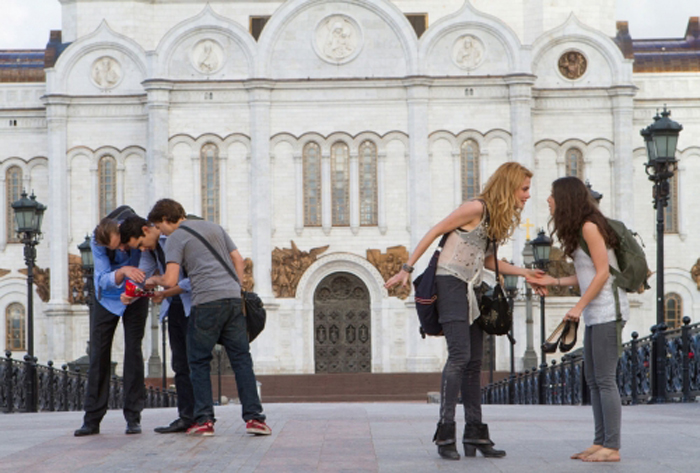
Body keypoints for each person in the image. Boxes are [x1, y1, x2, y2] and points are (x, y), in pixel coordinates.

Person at [385, 162, 544, 460]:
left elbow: (487, 261)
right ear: (509, 186)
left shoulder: (493, 216)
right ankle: (445, 433)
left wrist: (525, 273)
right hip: (449, 283)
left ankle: (475, 434)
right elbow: (436, 231)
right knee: (459, 356)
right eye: (524, 189)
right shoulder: (475, 208)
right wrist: (407, 268)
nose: (527, 196)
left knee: (474, 362)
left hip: (470, 286)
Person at [144, 199, 271, 437]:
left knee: (198, 361)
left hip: (206, 303)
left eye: (159, 228)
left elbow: (170, 280)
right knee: (242, 360)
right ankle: (255, 419)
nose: (161, 233)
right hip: (233, 301)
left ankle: (204, 420)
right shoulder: (214, 227)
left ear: (164, 220)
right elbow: (239, 260)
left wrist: (154, 281)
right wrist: (235, 285)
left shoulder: (175, 238)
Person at [528, 177, 628, 463]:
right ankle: (600, 442)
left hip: (608, 310)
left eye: (552, 195)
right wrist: (555, 280)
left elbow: (603, 273)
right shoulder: (580, 230)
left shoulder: (590, 227)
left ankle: (612, 446)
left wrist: (578, 307)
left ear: (566, 198)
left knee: (605, 380)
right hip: (597, 312)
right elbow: (585, 274)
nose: (548, 200)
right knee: (593, 379)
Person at [74, 206, 149, 436]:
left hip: (135, 295)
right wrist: (123, 270)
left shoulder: (135, 232)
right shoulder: (99, 243)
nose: (122, 250)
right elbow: (102, 279)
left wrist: (132, 288)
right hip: (106, 300)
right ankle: (92, 418)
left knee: (133, 352)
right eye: (115, 249)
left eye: (123, 245)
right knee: (99, 354)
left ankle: (133, 416)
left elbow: (145, 268)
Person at [119, 215, 195, 434]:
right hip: (175, 305)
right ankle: (185, 416)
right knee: (179, 364)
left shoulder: (174, 239)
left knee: (194, 362)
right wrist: (130, 294)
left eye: (141, 244)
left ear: (146, 229)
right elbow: (142, 276)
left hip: (194, 304)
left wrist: (165, 288)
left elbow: (194, 277)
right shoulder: (151, 250)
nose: (141, 250)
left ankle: (202, 416)